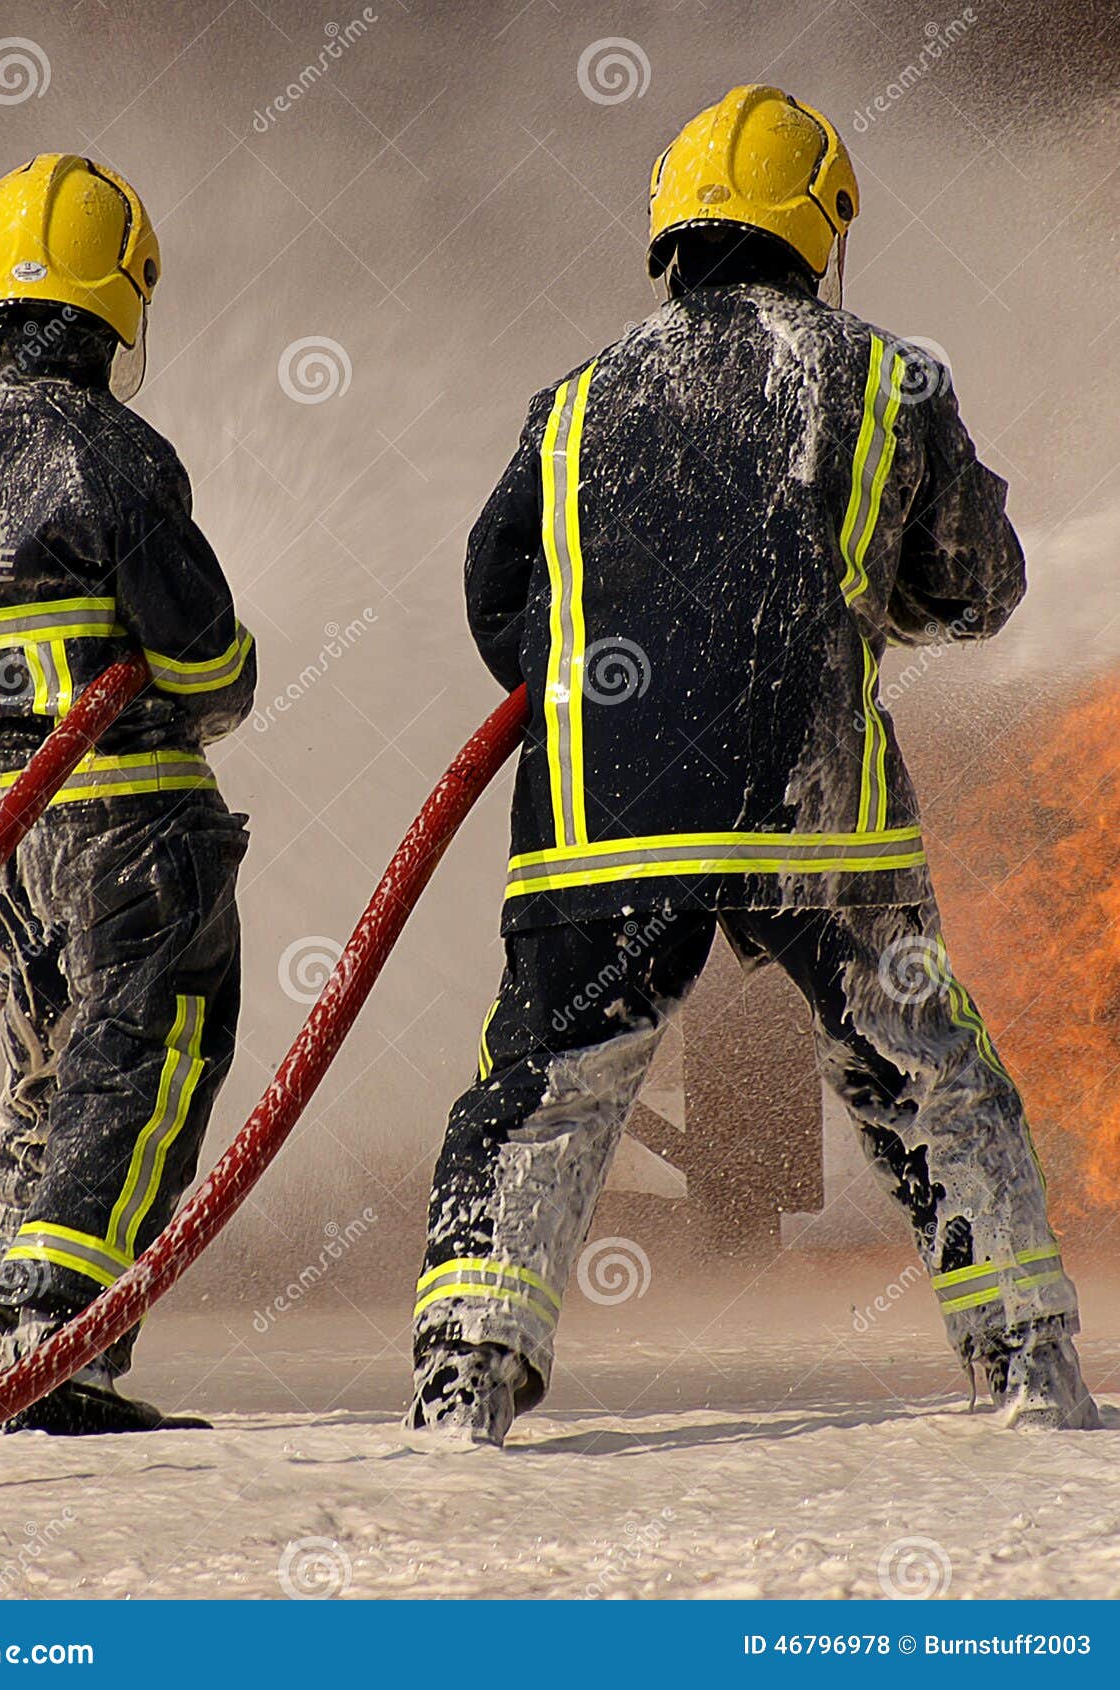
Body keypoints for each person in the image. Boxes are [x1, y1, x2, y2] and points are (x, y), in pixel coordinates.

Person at [408, 85, 1097, 1446]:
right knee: (923, 1063)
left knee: (549, 1081)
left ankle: (462, 1384)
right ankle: (1026, 1364)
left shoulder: (572, 400)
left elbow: (503, 607)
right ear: (818, 229)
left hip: (604, 823)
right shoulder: (887, 377)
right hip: (814, 812)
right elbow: (970, 583)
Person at [0, 154, 256, 1434]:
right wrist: (220, 675)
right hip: (127, 825)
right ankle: (61, 1349)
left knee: (46, 1062)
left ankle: (0, 1340)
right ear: (111, 306)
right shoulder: (107, 445)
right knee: (148, 1051)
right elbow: (204, 656)